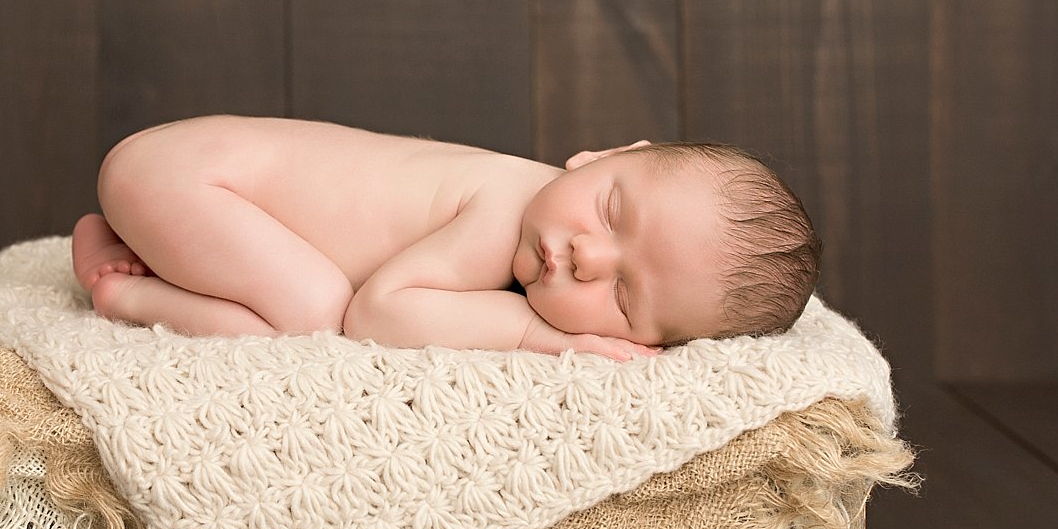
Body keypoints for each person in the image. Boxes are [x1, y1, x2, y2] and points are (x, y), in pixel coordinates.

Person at [71, 115, 819, 360]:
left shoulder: (547, 216)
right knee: (314, 309)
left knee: (298, 286)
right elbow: (378, 313)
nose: (589, 254)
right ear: (604, 157)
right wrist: (537, 334)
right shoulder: (504, 206)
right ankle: (131, 294)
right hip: (185, 179)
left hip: (181, 178)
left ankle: (120, 237)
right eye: (613, 211)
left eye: (622, 294)